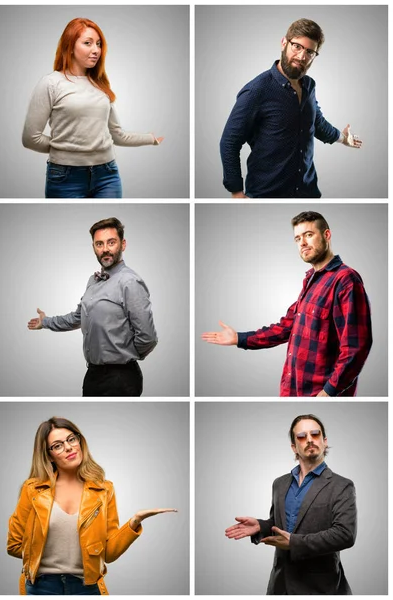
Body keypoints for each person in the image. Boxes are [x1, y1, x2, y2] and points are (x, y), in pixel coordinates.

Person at [201, 211, 372, 396]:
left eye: (309, 235)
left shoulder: (346, 280)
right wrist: (239, 338)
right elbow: (285, 327)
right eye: (298, 238)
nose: (303, 243)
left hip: (319, 394)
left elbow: (356, 347)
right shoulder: (311, 281)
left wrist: (329, 391)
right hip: (292, 390)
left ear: (327, 235)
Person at [7, 417, 176, 595]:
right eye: (57, 445)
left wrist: (135, 521)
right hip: (42, 587)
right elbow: (14, 544)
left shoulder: (103, 489)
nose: (68, 447)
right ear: (48, 455)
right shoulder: (33, 490)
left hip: (86, 587)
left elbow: (109, 554)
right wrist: (41, 554)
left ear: (80, 441)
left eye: (71, 439)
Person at [220, 18, 362, 199]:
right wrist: (237, 193)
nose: (302, 56)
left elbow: (316, 123)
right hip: (267, 195)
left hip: (308, 192)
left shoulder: (309, 86)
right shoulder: (256, 90)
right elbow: (229, 142)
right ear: (284, 43)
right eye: (297, 47)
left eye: (310, 52)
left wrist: (343, 139)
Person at [22, 18, 164, 198]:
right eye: (87, 43)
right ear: (70, 46)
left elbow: (117, 135)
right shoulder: (50, 83)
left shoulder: (100, 85)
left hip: (107, 175)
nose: (96, 50)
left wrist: (151, 139)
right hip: (65, 178)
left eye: (98, 44)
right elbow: (30, 138)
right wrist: (65, 150)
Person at [225, 414, 356, 594]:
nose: (309, 440)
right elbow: (281, 524)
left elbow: (345, 534)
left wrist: (294, 542)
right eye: (302, 437)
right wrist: (261, 526)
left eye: (315, 434)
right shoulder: (280, 483)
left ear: (325, 441)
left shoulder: (342, 485)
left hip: (320, 588)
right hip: (280, 585)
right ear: (294, 447)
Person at [27, 217, 157, 396]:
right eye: (99, 244)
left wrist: (125, 355)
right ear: (94, 247)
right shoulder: (93, 281)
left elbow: (148, 338)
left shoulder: (129, 282)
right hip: (92, 375)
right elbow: (78, 317)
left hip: (121, 378)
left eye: (111, 242)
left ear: (123, 244)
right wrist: (46, 322)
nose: (105, 249)